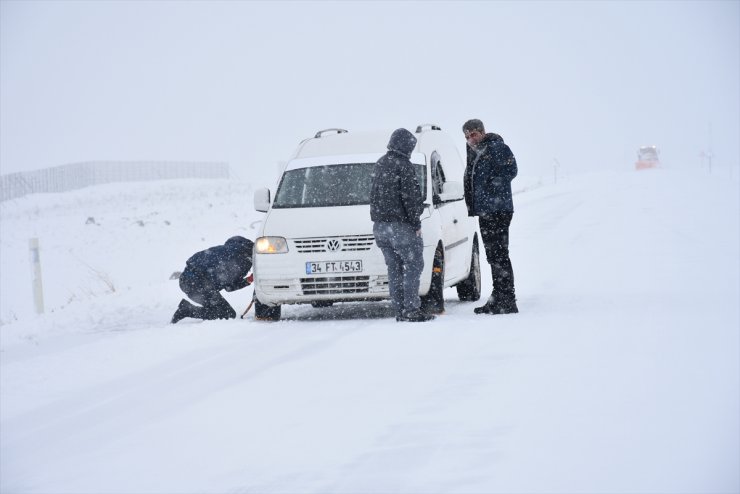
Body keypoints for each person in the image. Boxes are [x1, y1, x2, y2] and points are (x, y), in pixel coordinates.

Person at [370, 128, 434, 322]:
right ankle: (412, 310)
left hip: (380, 227)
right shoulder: (404, 165)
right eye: (410, 146)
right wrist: (415, 222)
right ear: (405, 146)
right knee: (413, 265)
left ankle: (399, 310)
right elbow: (409, 197)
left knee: (394, 268)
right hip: (401, 226)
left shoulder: (380, 163)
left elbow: (374, 195)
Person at [462, 119, 519, 314]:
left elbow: (511, 170)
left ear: (482, 132)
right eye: (467, 137)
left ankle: (507, 300)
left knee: (499, 255)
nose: (470, 139)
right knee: (493, 256)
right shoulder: (475, 151)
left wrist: (490, 188)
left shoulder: (497, 147)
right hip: (486, 210)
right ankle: (499, 297)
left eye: (473, 135)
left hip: (497, 210)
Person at [171, 236, 254, 323]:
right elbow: (229, 287)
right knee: (227, 314)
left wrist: (248, 279)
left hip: (187, 280)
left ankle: (187, 309)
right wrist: (249, 280)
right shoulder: (242, 260)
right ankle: (186, 310)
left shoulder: (227, 250)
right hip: (197, 284)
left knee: (219, 309)